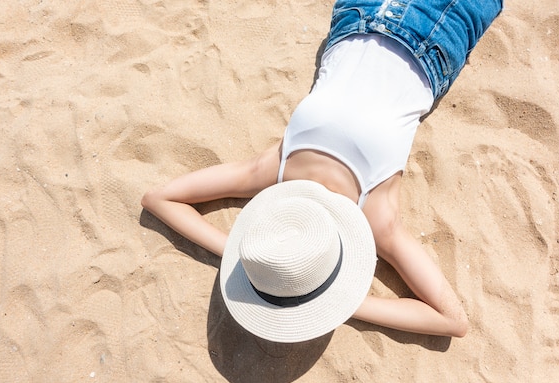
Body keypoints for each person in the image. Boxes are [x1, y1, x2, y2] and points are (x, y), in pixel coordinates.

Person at [142, 0, 503, 343]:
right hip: (358, 16)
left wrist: (337, 299)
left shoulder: (377, 218)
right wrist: (240, 257)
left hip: (435, 33)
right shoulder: (272, 170)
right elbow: (160, 198)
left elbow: (451, 320)